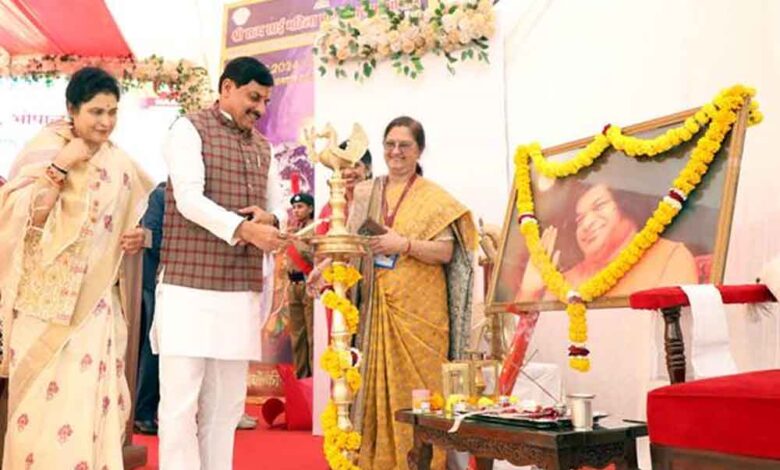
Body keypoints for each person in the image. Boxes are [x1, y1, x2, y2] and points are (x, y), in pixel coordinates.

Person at [0, 67, 154, 469]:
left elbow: (132, 221)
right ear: (72, 109)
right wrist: (60, 167)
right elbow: (19, 219)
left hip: (96, 304)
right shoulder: (45, 147)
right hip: (43, 303)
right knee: (38, 403)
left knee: (88, 397)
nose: (105, 122)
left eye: (112, 112)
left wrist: (140, 236)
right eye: (96, 112)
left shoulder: (119, 161)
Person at [311, 116, 477, 469]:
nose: (396, 151)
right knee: (373, 390)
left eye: (405, 145)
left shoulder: (435, 198)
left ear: (419, 150)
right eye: (390, 144)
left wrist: (404, 244)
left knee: (422, 392)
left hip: (421, 315)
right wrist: (323, 267)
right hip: (375, 306)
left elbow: (447, 252)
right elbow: (352, 241)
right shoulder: (366, 192)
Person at [153, 57, 288, 470]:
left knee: (227, 405)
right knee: (180, 404)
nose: (260, 109)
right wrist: (244, 230)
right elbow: (189, 199)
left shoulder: (262, 147)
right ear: (226, 88)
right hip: (187, 288)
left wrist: (270, 219)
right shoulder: (189, 129)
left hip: (238, 290)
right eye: (253, 97)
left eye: (265, 101)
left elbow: (278, 206)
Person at [516, 182, 698, 302]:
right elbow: (530, 341)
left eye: (599, 206)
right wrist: (529, 291)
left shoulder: (669, 256)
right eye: (579, 219)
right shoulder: (567, 280)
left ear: (627, 206)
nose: (586, 224)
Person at [134, 182, 166, 435]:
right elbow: (150, 238)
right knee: (153, 347)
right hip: (154, 281)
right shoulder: (160, 194)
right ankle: (143, 412)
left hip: (175, 282)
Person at [286, 192, 315, 378]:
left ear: (310, 208)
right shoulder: (295, 230)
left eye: (300, 207)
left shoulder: (315, 229)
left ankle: (314, 379)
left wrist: (297, 243)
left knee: (312, 334)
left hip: (307, 283)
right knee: (297, 335)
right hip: (292, 284)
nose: (296, 211)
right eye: (294, 207)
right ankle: (301, 377)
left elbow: (316, 257)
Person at [314, 142, 372, 236]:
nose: (348, 172)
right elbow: (319, 239)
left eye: (355, 166)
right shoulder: (330, 207)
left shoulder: (380, 202)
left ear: (368, 169)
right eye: (342, 167)